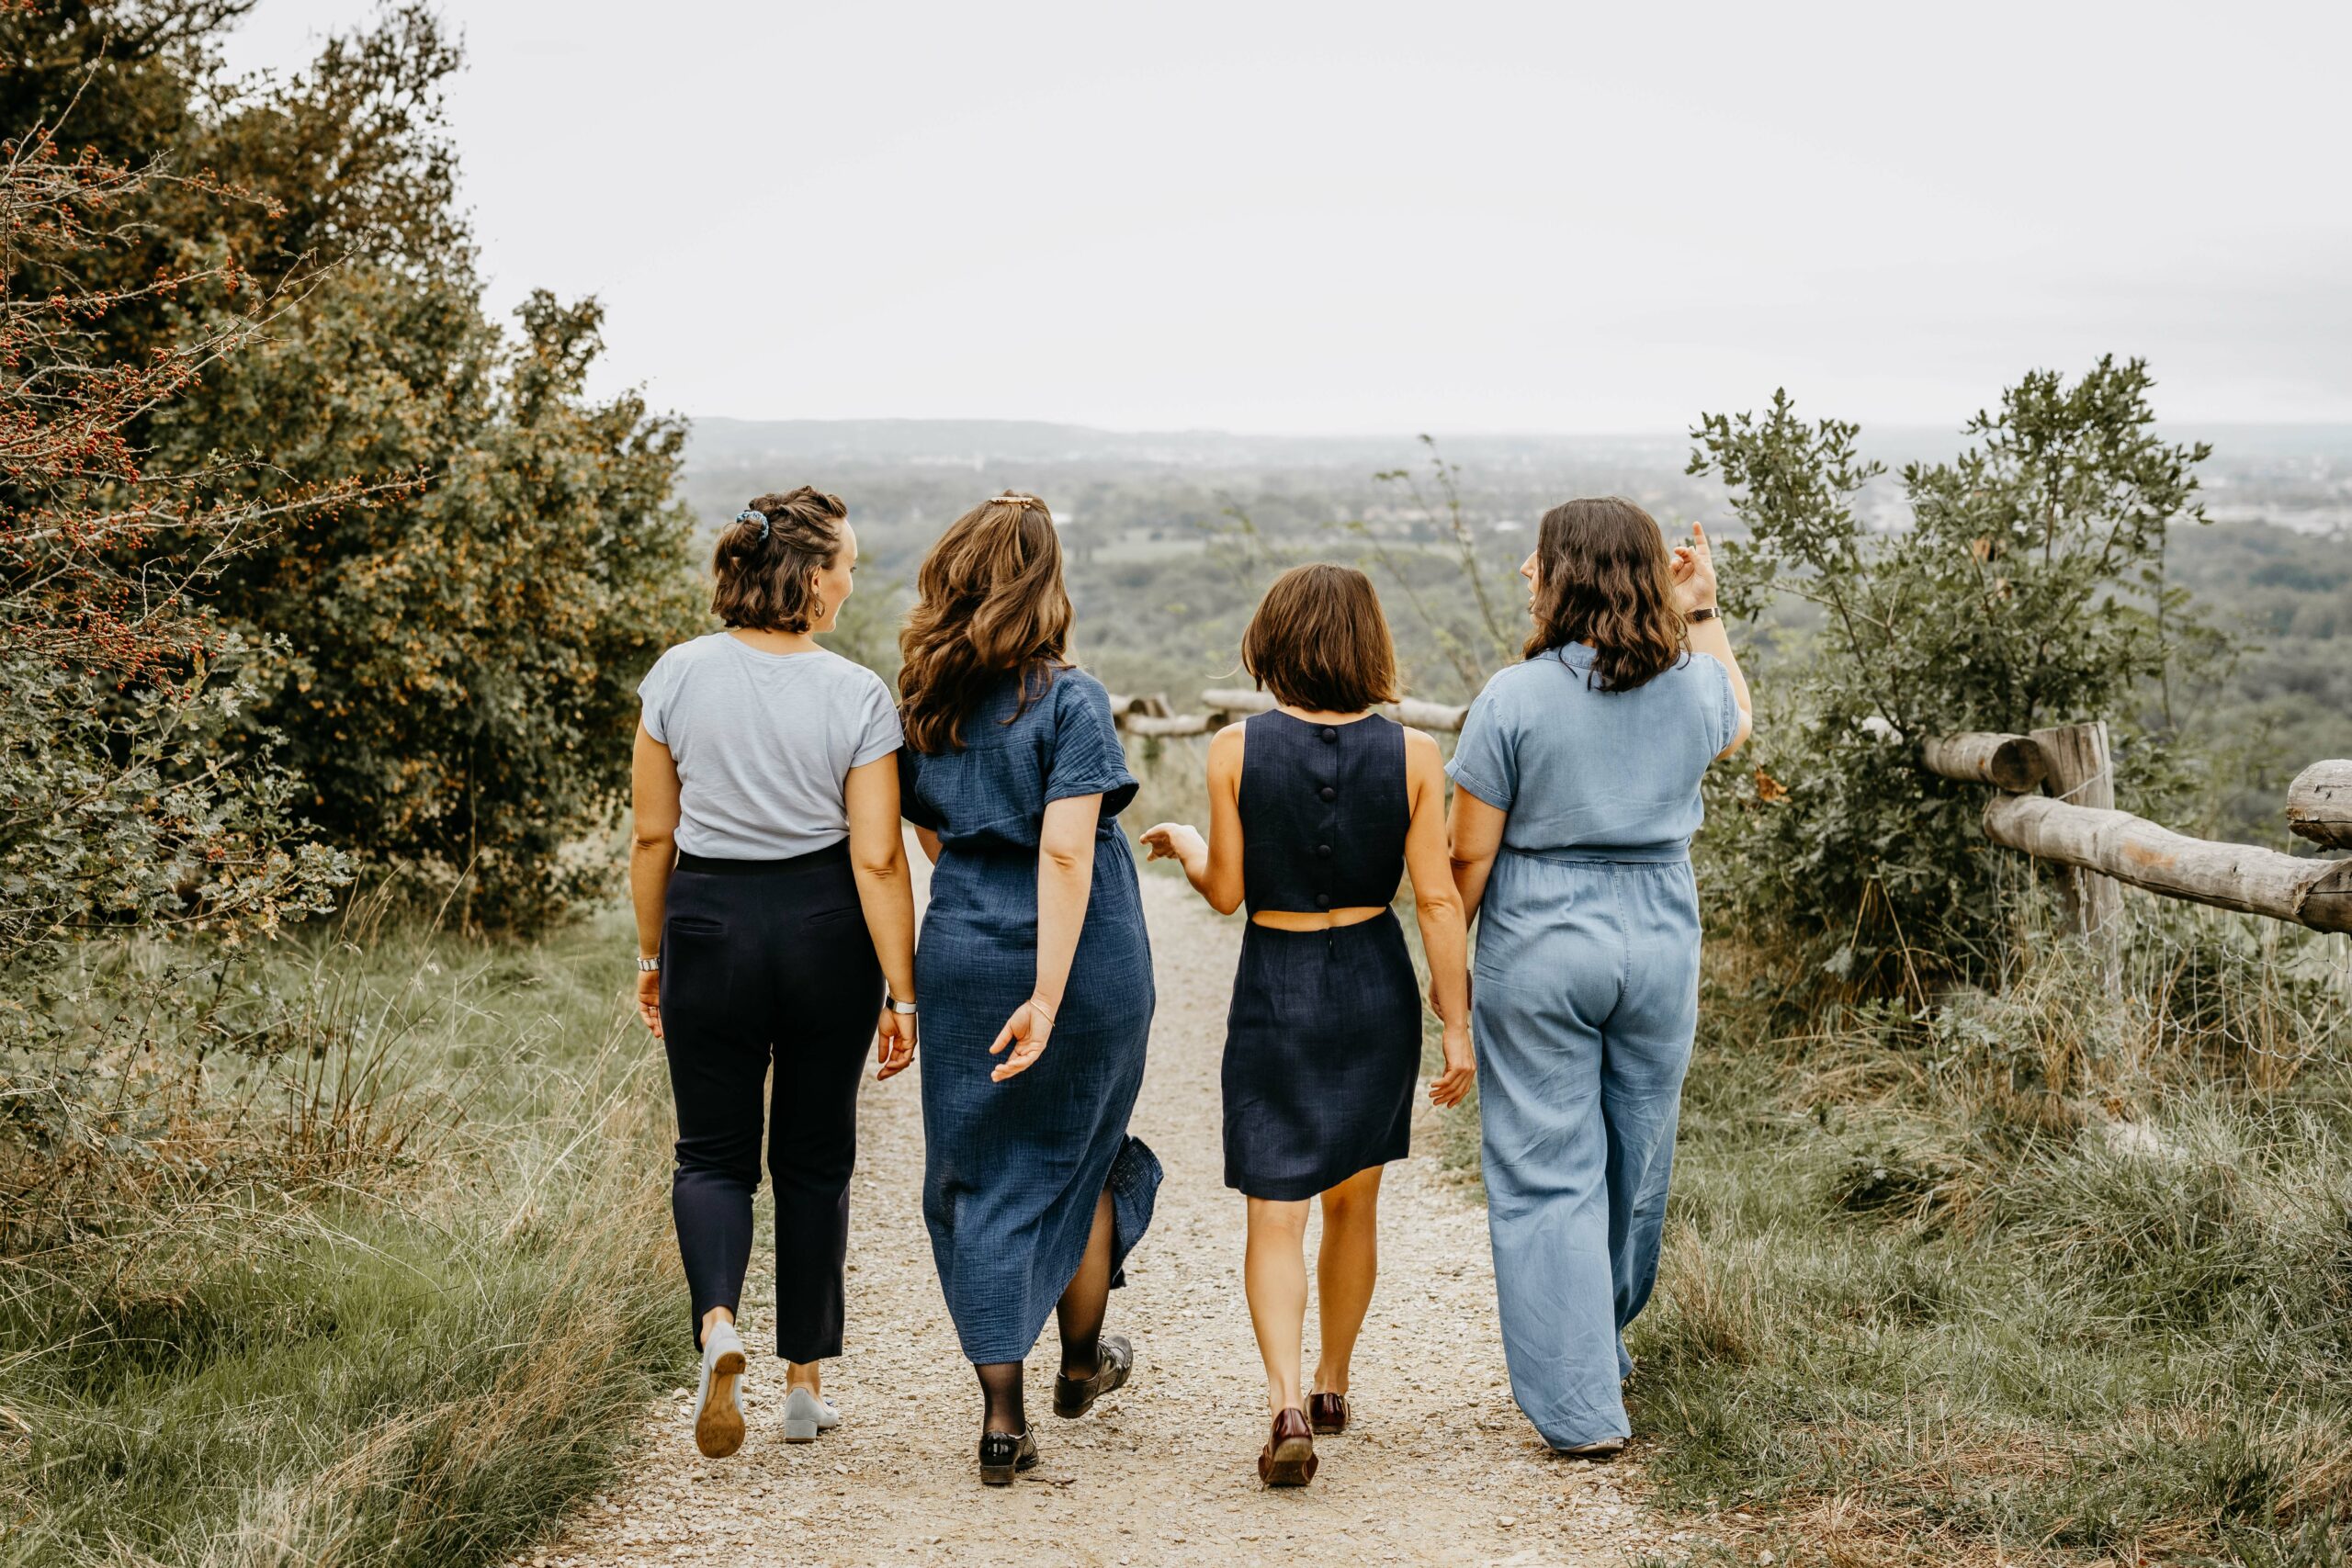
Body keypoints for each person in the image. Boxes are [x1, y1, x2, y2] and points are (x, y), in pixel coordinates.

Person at [1142, 563, 1474, 1487]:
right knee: (1353, 1203)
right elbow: (1437, 901)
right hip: (1374, 983)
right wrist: (1456, 1026)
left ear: (1273, 642)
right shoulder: (1414, 754)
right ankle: (1333, 1384)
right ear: (1369, 645)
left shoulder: (1233, 748)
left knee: (1275, 1210)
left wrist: (1188, 845)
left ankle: (1285, 1401)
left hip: (1275, 984)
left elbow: (1225, 892)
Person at [1444, 498, 1752, 1459]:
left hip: (1541, 936)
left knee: (1546, 1166)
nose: (1523, 573)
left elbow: (1467, 856)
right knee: (1636, 1152)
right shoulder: (1693, 686)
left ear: (1566, 574)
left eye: (1536, 559)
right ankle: (1600, 1335)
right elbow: (1738, 722)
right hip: (1660, 937)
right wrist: (1702, 607)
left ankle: (1579, 1404)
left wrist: (1451, 978)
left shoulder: (1512, 698)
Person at [628, 486, 919, 1461]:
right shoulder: (857, 693)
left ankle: (719, 1325)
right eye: (846, 567)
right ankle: (802, 1385)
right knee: (814, 1158)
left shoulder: (677, 674)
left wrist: (652, 953)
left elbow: (653, 836)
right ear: (810, 577)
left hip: (708, 921)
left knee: (711, 1155)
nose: (850, 584)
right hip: (824, 929)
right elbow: (877, 858)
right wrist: (901, 990)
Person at [895, 491, 1161, 1486]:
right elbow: (1065, 854)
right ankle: (1081, 1362)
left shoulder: (923, 701)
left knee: (978, 1172)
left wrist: (980, 897)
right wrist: (1047, 995)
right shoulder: (1072, 700)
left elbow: (931, 834)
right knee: (1083, 1154)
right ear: (1046, 584)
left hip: (964, 950)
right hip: (1086, 961)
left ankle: (1001, 1422)